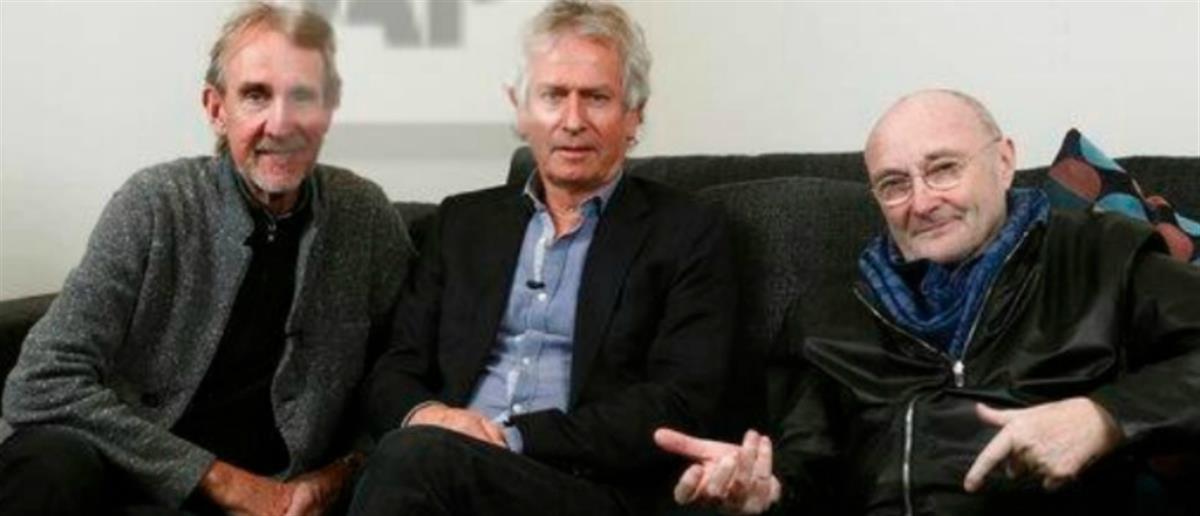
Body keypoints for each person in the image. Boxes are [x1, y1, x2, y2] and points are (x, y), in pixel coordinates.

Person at [655, 89, 1200, 515]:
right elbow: (806, 471)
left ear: (1004, 161)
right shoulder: (830, 314)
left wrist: (1103, 417)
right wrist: (766, 492)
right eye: (894, 184)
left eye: (943, 169)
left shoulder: (1099, 255)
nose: (921, 202)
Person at [0, 3, 413, 514]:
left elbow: (409, 373)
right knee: (46, 463)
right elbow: (39, 383)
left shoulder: (364, 215)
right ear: (217, 109)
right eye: (256, 95)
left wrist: (340, 474)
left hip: (286, 494)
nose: (281, 124)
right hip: (129, 478)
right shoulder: (155, 204)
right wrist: (227, 484)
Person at [348, 1, 736, 515]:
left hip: (587, 488)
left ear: (634, 115)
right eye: (553, 95)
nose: (572, 121)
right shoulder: (461, 224)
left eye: (596, 98)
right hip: (441, 470)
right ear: (521, 109)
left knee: (412, 461)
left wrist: (513, 438)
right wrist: (428, 417)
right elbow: (395, 367)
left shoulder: (688, 231)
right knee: (412, 458)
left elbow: (679, 402)